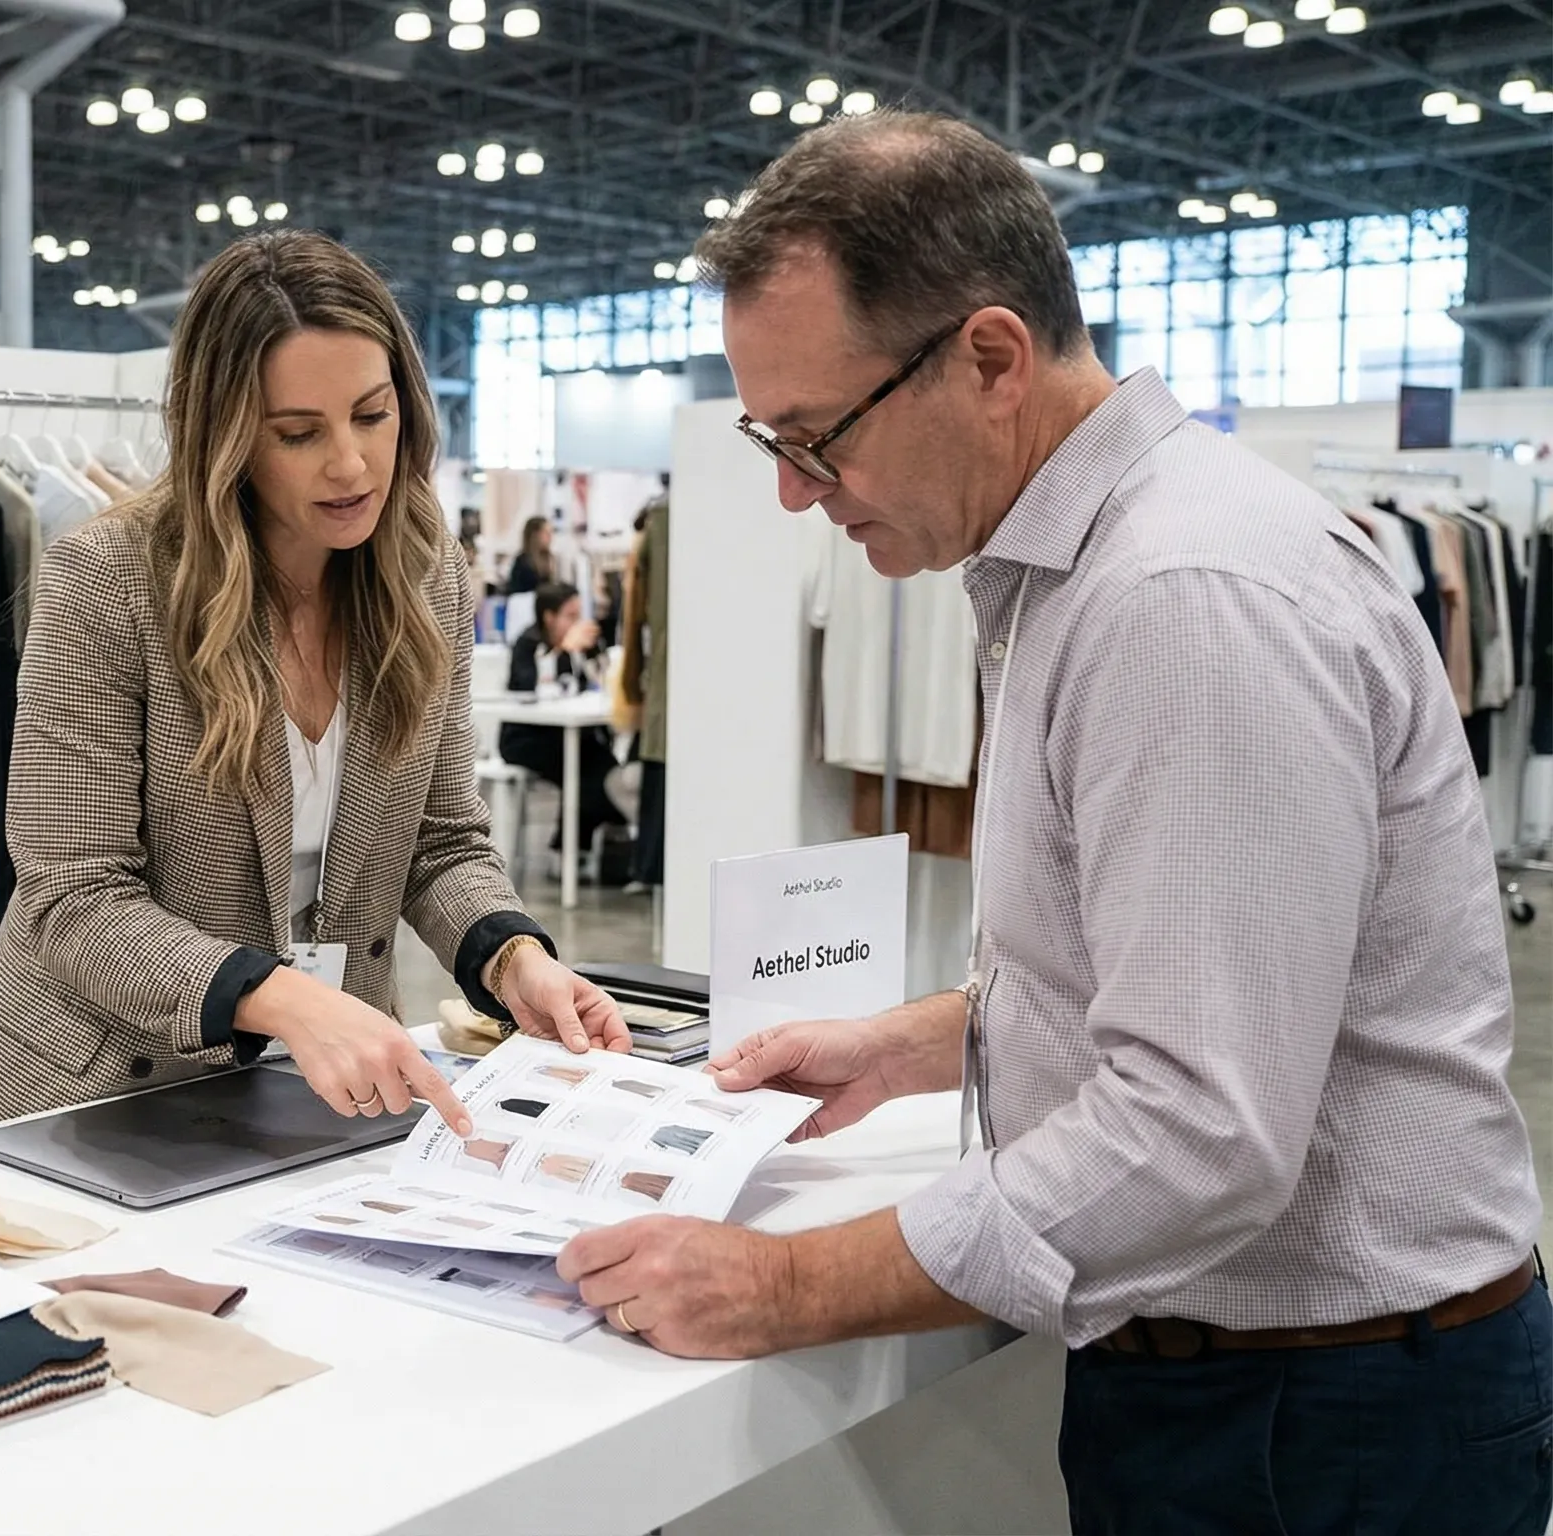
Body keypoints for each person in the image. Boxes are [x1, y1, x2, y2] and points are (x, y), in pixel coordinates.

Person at [556, 110, 1548, 1533]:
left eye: (816, 437)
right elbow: (1213, 974)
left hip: (1321, 1425)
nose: (788, 491)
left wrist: (780, 1284)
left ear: (992, 359)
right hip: (1271, 1394)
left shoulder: (1182, 601)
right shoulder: (1083, 576)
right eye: (767, 438)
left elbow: (1199, 1129)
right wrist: (928, 1040)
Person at [0, 229, 628, 1135]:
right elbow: (73, 896)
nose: (350, 464)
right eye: (299, 434)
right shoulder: (109, 579)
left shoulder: (429, 579)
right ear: (226, 440)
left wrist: (513, 959)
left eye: (373, 416)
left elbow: (442, 844)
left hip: (322, 1089)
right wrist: (283, 999)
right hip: (96, 1089)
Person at [499, 583, 628, 864]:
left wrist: (590, 652)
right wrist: (561, 651)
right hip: (526, 737)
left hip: (566, 734)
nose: (576, 622)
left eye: (578, 615)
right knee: (583, 769)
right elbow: (529, 690)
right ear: (549, 616)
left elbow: (592, 683)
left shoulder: (577, 648)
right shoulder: (529, 643)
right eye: (570, 615)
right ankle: (569, 851)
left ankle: (574, 848)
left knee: (601, 761)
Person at [501, 514, 554, 596]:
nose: (550, 537)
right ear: (535, 535)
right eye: (546, 533)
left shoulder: (549, 559)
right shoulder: (522, 562)